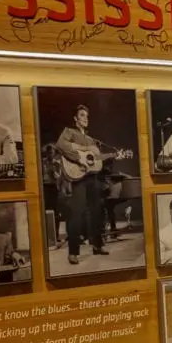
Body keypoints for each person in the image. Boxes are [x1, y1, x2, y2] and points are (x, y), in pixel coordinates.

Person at [55, 104, 111, 263]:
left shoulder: (91, 140)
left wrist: (113, 156)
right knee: (76, 214)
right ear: (75, 118)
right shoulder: (69, 132)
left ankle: (97, 246)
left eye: (87, 116)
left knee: (97, 211)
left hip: (91, 177)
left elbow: (96, 160)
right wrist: (79, 157)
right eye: (82, 115)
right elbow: (61, 145)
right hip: (78, 178)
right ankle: (73, 252)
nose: (85, 118)